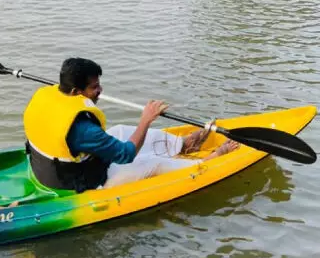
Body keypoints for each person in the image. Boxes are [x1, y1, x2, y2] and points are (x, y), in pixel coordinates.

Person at [22, 58, 239, 192]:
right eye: (94, 87)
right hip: (77, 181)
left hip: (49, 166)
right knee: (152, 163)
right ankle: (204, 162)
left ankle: (181, 145)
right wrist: (146, 119)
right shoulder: (83, 129)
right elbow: (126, 155)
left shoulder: (48, 94)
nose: (100, 91)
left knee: (121, 131)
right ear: (76, 92)